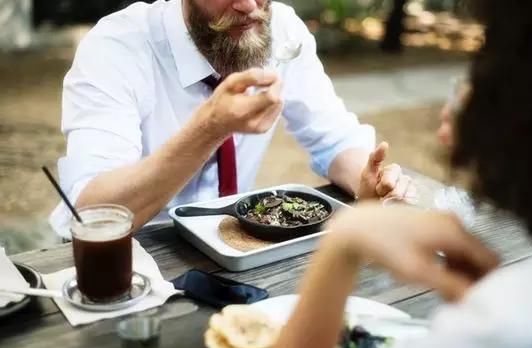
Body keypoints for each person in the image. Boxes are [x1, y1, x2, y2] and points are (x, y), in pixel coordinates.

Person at [274, 1, 532, 348]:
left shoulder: (496, 325)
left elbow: (333, 135)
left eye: (483, 58)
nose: (452, 110)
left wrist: (343, 243)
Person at [49, 0, 415, 237]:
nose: (248, 5)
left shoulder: (281, 29)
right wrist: (209, 127)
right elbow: (92, 212)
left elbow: (334, 140)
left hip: (238, 248)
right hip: (132, 258)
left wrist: (370, 181)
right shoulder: (117, 47)